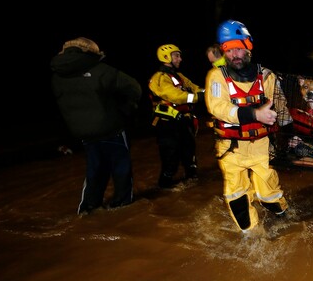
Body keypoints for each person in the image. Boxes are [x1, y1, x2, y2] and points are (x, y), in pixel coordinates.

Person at [205, 19, 291, 232]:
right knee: (236, 194)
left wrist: (291, 134)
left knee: (269, 192)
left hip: (262, 145)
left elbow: (281, 106)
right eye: (228, 49)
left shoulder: (268, 76)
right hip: (230, 148)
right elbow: (218, 108)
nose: (234, 54)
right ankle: (250, 235)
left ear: (247, 47)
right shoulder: (217, 77)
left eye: (238, 48)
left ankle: (283, 216)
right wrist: (254, 113)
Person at [51, 37, 142, 215]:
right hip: (111, 128)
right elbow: (134, 88)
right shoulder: (101, 70)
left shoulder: (57, 76)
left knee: (94, 170)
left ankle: (88, 208)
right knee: (121, 168)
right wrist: (125, 109)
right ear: (90, 51)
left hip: (83, 133)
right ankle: (123, 206)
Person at [149, 44, 204, 188]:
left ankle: (193, 182)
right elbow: (174, 96)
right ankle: (165, 187)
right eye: (176, 56)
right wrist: (197, 97)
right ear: (166, 57)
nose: (180, 59)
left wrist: (207, 92)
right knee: (170, 157)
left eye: (179, 55)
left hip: (184, 120)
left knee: (189, 153)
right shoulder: (159, 78)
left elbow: (193, 86)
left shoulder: (179, 76)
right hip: (167, 123)